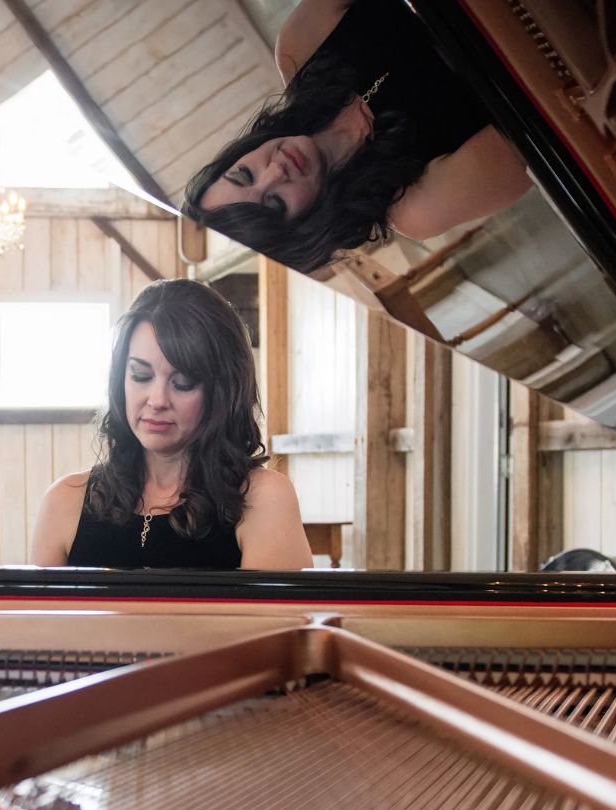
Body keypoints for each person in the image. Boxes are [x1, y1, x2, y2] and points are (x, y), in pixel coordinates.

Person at [182, 0, 532, 272]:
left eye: (244, 174)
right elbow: (547, 122)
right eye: (275, 203)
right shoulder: (418, 205)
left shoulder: (299, 48)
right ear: (306, 230)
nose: (275, 171)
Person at [31, 279, 311, 571]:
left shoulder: (262, 499)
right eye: (140, 375)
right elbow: (40, 617)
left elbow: (276, 618)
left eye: (183, 383)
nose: (157, 400)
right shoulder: (65, 501)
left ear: (221, 391)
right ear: (120, 381)